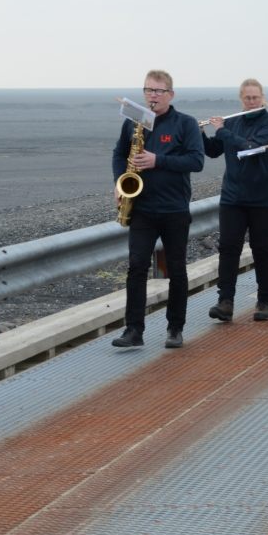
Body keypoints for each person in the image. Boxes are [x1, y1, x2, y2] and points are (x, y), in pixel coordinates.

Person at [111, 70, 205, 348]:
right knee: (136, 267)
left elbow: (196, 161)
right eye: (148, 90)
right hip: (142, 208)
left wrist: (157, 160)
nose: (152, 96)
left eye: (158, 91)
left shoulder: (185, 124)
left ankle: (175, 328)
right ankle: (133, 330)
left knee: (176, 269)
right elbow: (119, 153)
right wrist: (119, 182)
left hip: (174, 208)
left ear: (170, 95)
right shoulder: (133, 122)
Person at [203, 78, 268, 323]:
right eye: (247, 98)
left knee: (261, 250)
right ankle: (225, 302)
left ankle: (265, 300)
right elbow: (213, 150)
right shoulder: (232, 122)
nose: (251, 102)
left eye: (255, 97)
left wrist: (222, 130)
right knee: (228, 250)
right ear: (241, 99)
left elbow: (250, 148)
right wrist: (199, 132)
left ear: (262, 98)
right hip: (233, 198)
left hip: (263, 199)